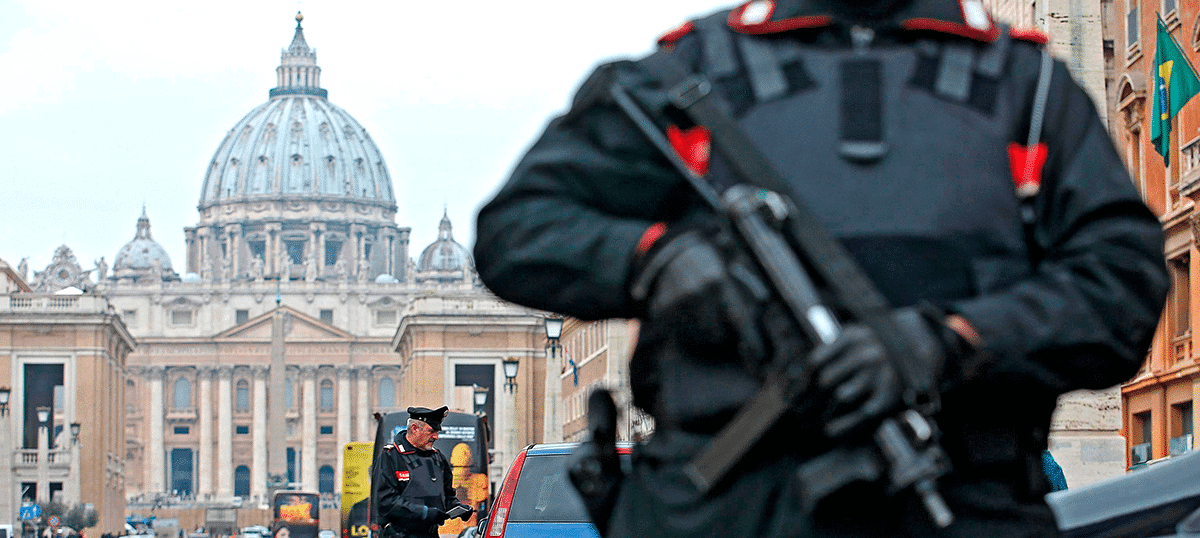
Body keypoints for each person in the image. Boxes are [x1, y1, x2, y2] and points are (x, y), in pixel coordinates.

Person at [473, 0, 1169, 536]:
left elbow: (1122, 283)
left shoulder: (1028, 87)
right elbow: (516, 231)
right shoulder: (683, 75)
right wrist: (656, 259)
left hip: (957, 500)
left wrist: (950, 341)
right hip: (724, 508)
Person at [372, 406, 472, 538]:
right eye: (431, 431)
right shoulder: (390, 457)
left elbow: (447, 497)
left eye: (437, 431)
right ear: (414, 429)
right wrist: (424, 513)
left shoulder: (438, 458)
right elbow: (385, 502)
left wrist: (459, 508)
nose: (436, 437)